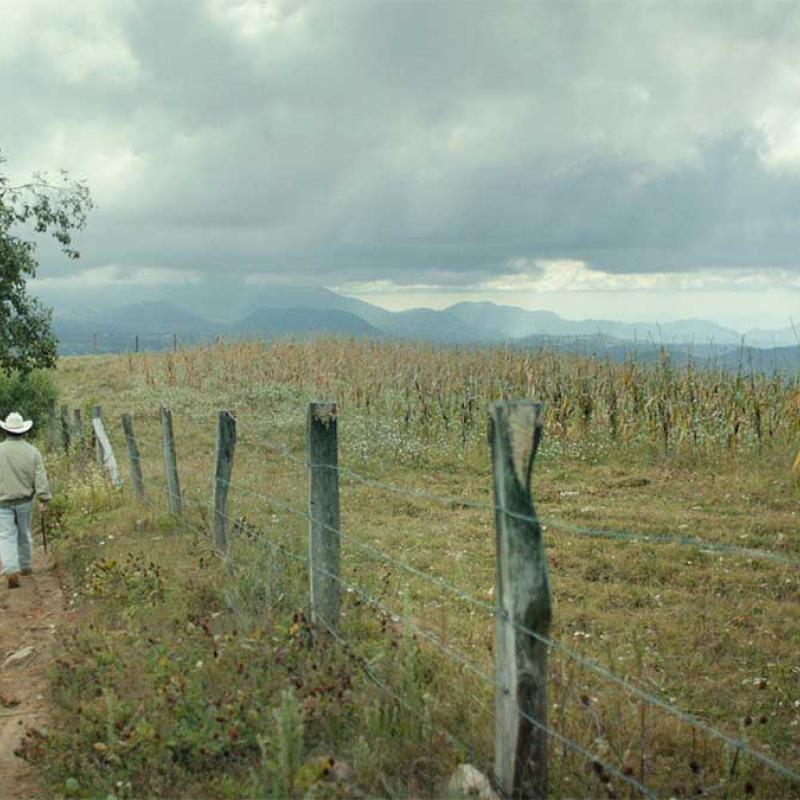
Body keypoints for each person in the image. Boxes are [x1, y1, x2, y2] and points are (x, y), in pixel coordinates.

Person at [0, 412, 52, 589]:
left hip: (2, 502)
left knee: (6, 535)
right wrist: (43, 498)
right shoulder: (32, 452)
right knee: (24, 533)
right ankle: (26, 566)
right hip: (24, 501)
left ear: (6, 430)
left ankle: (10, 568)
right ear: (23, 431)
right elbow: (40, 477)